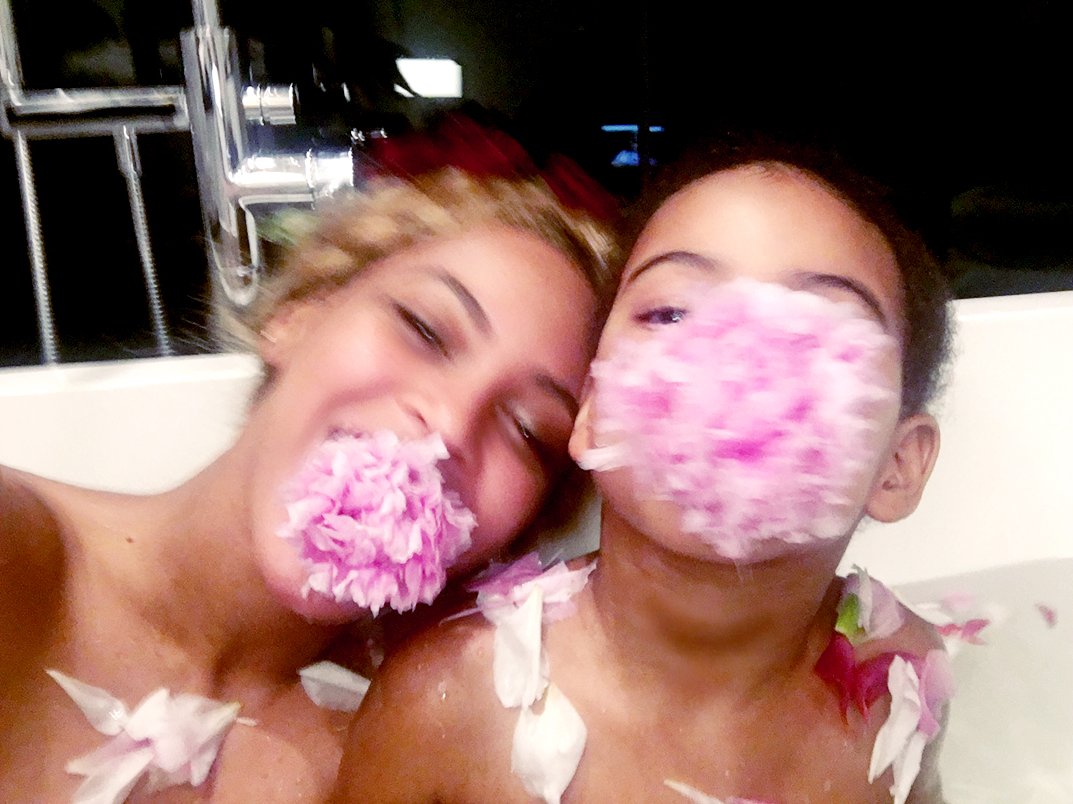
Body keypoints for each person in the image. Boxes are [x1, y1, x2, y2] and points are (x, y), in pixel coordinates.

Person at [0, 122, 619, 803]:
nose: (448, 426)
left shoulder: (427, 738)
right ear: (294, 317)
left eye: (527, 431)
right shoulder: (19, 557)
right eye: (424, 329)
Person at [331, 141, 955, 803]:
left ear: (897, 466)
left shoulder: (904, 673)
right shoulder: (444, 704)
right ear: (592, 412)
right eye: (670, 313)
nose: (734, 356)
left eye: (819, 329)